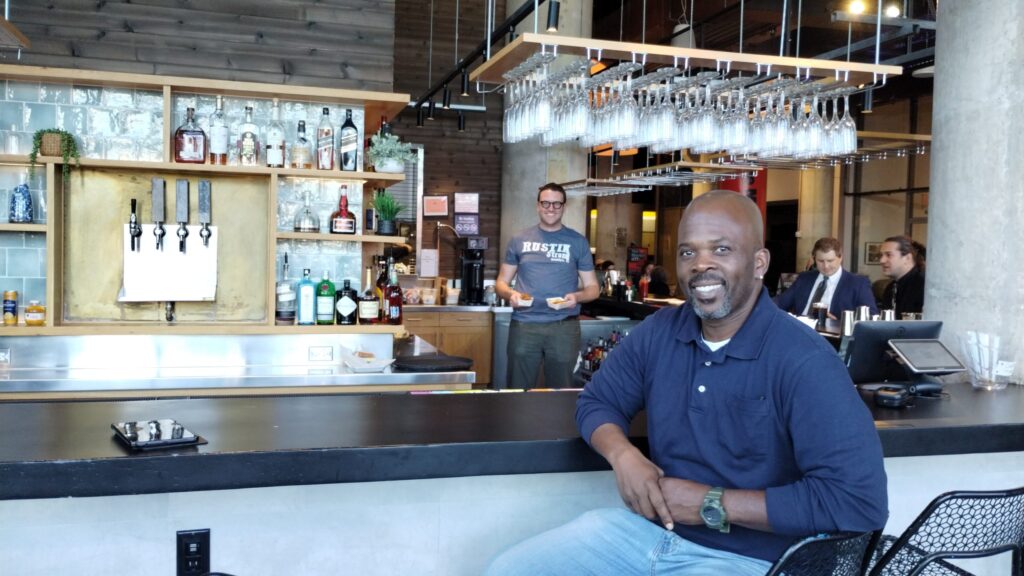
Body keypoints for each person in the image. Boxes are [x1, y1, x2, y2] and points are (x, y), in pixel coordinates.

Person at [485, 190, 887, 575]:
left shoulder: (804, 359)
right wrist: (623, 456)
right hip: (646, 533)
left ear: (759, 263)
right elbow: (597, 401)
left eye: (722, 249)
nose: (701, 264)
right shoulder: (660, 331)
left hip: (752, 560)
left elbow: (857, 501)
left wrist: (712, 504)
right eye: (688, 251)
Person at [495, 183, 600, 389]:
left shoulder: (578, 242)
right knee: (517, 390)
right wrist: (510, 294)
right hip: (525, 325)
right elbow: (501, 283)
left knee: (562, 390)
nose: (551, 208)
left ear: (563, 207)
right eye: (546, 203)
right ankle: (519, 423)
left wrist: (576, 298)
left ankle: (559, 423)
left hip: (564, 327)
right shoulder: (519, 240)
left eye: (556, 204)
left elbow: (593, 288)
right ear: (537, 206)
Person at [774, 237, 878, 319]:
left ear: (840, 257)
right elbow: (780, 302)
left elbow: (871, 317)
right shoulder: (804, 278)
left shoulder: (858, 283)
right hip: (801, 333)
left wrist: (838, 322)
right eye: (820, 261)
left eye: (830, 261)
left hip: (833, 339)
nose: (825, 266)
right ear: (814, 259)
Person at [879, 235, 925, 317]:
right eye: (881, 255)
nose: (882, 260)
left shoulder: (924, 286)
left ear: (907, 258)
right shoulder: (890, 288)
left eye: (889, 255)